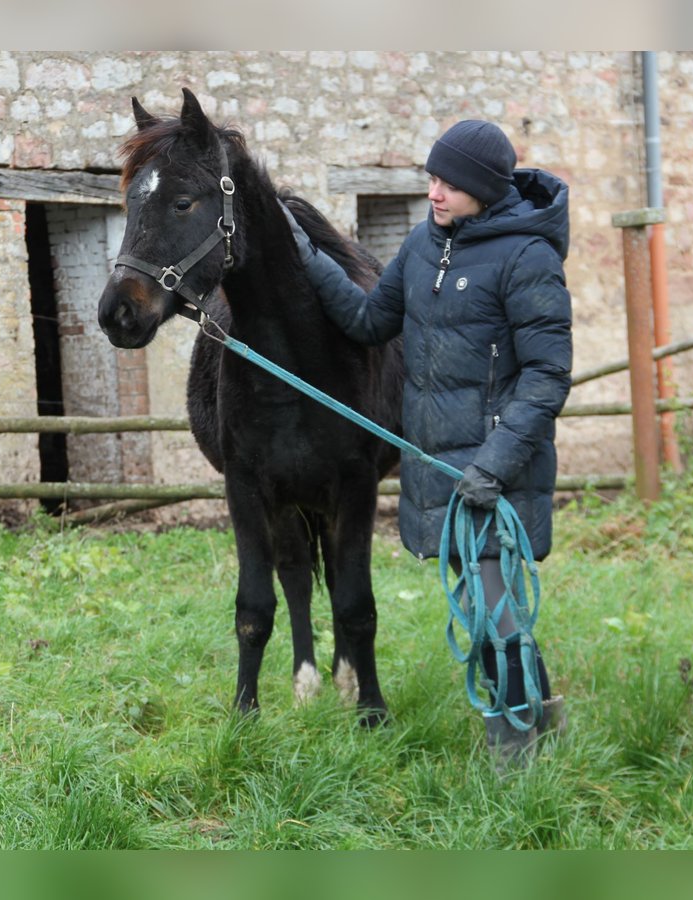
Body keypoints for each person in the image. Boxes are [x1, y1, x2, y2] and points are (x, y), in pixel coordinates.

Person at [283, 119, 572, 768]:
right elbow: (367, 320)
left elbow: (548, 376)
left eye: (450, 184)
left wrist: (494, 465)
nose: (435, 193)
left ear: (487, 190)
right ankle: (547, 730)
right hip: (439, 468)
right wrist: (309, 259)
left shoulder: (529, 258)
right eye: (432, 179)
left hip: (500, 472)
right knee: (490, 614)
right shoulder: (421, 245)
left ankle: (517, 771)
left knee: (497, 620)